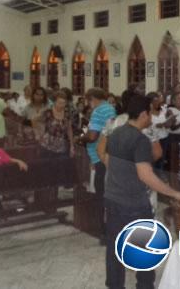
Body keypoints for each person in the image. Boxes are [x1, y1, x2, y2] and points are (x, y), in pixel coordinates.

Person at [104, 95, 180, 289]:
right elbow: (146, 175)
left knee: (114, 248)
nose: (152, 117)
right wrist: (174, 193)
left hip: (112, 199)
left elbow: (108, 161)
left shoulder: (116, 133)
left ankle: (114, 285)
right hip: (134, 204)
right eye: (150, 112)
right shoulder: (140, 139)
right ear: (143, 114)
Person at [77, 87, 116, 244]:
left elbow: (93, 136)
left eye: (88, 100)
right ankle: (108, 229)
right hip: (106, 156)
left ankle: (104, 232)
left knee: (101, 195)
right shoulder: (110, 108)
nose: (88, 103)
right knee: (106, 193)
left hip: (100, 156)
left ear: (93, 98)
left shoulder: (99, 110)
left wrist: (79, 139)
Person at [40, 91, 74, 158]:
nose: (61, 105)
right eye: (59, 103)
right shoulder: (47, 113)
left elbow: (69, 130)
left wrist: (71, 146)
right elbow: (39, 127)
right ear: (54, 102)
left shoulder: (67, 114)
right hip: (47, 147)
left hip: (62, 148)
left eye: (64, 103)